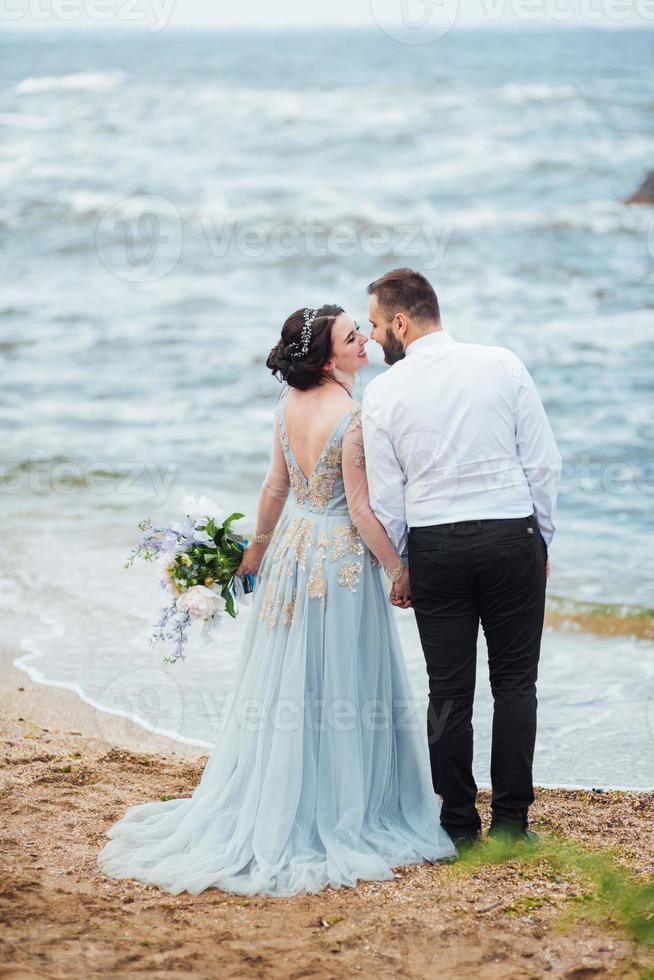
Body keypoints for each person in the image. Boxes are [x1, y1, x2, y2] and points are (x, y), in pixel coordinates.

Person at [97, 303, 456, 898]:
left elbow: (274, 487)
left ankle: (285, 791)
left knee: (290, 678)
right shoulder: (355, 417)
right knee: (341, 677)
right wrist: (399, 569)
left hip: (293, 546)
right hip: (339, 557)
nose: (365, 340)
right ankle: (341, 807)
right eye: (351, 337)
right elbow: (363, 511)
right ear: (327, 356)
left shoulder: (287, 407)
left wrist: (255, 554)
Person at [362, 268, 562, 848]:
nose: (374, 338)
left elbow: (385, 495)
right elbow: (542, 462)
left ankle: (457, 826)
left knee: (448, 690)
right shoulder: (502, 363)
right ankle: (510, 824)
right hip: (509, 536)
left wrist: (403, 562)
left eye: (375, 325)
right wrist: (541, 536)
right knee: (516, 685)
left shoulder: (384, 392)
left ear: (401, 321)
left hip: (437, 544)